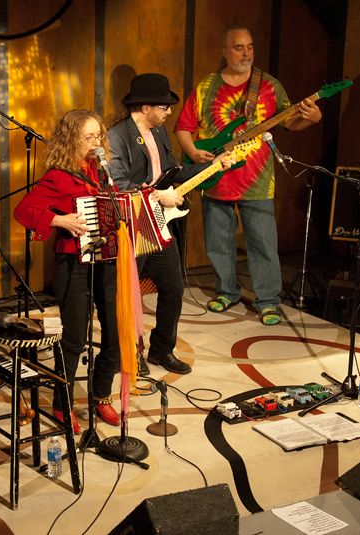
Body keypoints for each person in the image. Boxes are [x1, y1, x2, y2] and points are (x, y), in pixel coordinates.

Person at [174, 26, 322, 325]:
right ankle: (226, 292)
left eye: (250, 47)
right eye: (239, 47)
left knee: (263, 245)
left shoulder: (269, 86)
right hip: (216, 178)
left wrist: (312, 119)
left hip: (257, 180)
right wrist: (193, 153)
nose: (246, 53)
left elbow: (290, 123)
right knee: (218, 243)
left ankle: (268, 301)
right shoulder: (206, 86)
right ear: (225, 51)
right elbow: (183, 127)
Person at [108, 73, 235, 375]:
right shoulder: (117, 136)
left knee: (173, 288)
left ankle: (162, 349)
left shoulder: (159, 132)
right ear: (146, 107)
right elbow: (118, 184)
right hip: (135, 223)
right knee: (129, 295)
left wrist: (213, 167)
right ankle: (131, 353)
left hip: (160, 221)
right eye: (164, 107)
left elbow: (172, 173)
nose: (168, 113)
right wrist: (157, 196)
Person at [14, 109, 121, 430]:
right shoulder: (58, 177)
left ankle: (102, 395)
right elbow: (23, 210)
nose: (96, 142)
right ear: (71, 140)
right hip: (73, 264)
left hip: (106, 260)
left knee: (115, 334)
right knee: (74, 338)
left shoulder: (100, 170)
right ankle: (63, 404)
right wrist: (59, 220)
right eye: (88, 137)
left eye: (98, 135)